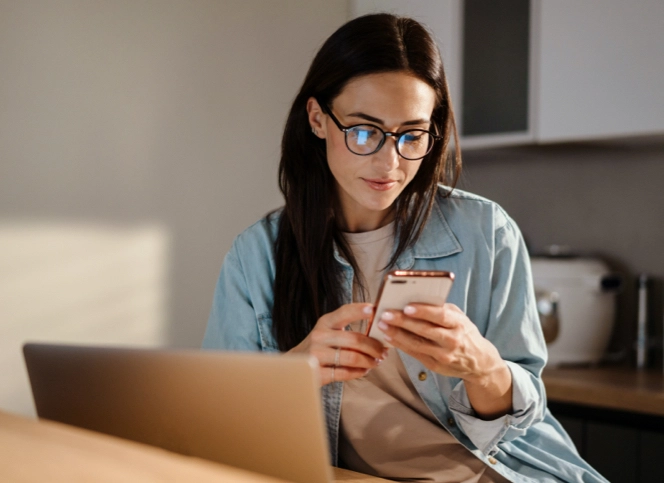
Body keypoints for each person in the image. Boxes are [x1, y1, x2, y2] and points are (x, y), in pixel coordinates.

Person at [203, 13, 607, 483]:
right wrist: (297, 369)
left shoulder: (487, 231)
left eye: (411, 135)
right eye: (364, 131)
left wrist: (481, 367)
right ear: (318, 119)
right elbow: (217, 416)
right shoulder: (258, 255)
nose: (389, 162)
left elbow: (523, 416)